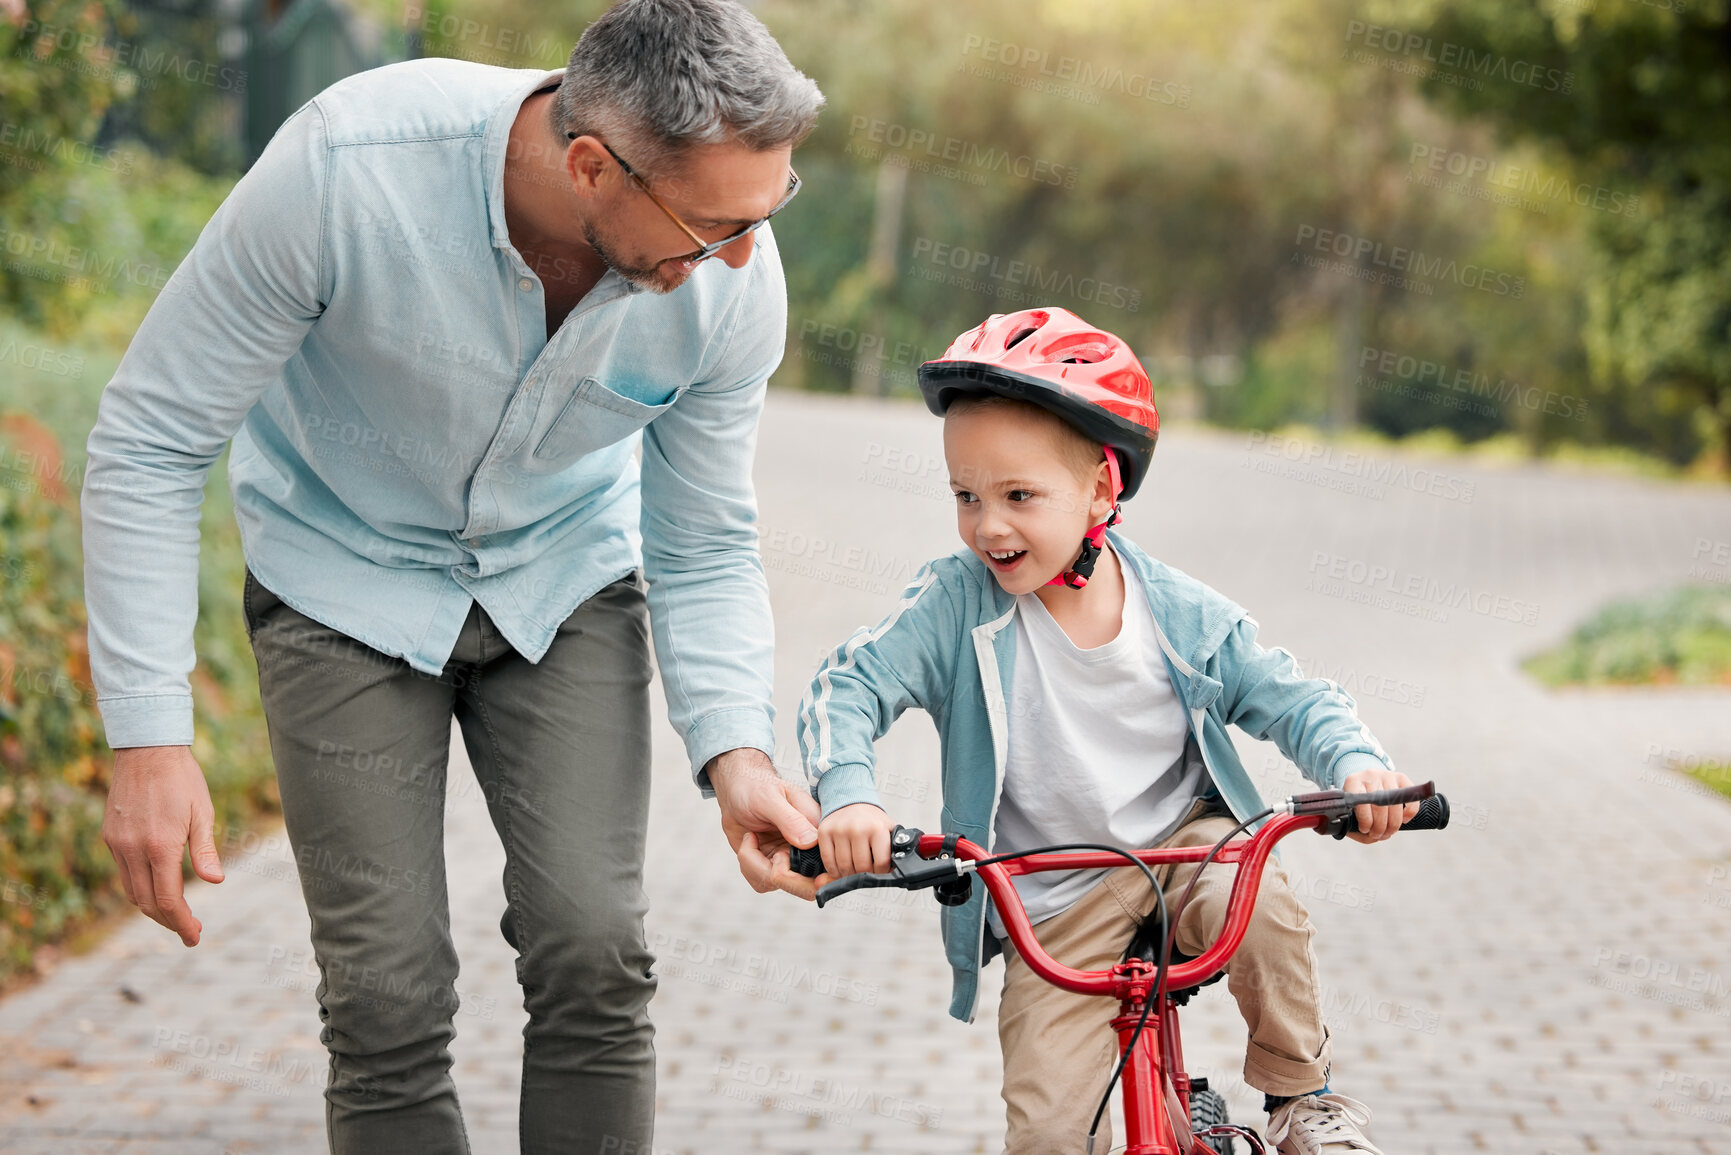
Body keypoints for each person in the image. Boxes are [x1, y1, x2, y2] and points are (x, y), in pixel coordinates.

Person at [80, 1, 827, 1151]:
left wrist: (736, 752)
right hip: (342, 577)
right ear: (591, 166)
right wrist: (147, 735)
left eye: (763, 213)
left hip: (561, 579)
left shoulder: (736, 275)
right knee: (385, 994)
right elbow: (150, 438)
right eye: (711, 225)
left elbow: (704, 537)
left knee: (595, 952)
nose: (737, 256)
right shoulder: (345, 170)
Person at [794, 307, 1415, 1154]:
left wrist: (1355, 764)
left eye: (1018, 496)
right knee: (1049, 1131)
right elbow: (847, 687)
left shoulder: (1178, 614)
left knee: (1261, 896)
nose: (988, 526)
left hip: (1183, 852)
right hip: (1051, 897)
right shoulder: (954, 603)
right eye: (965, 496)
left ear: (1099, 488)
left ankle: (1301, 1095)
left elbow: (1293, 696)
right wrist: (849, 797)